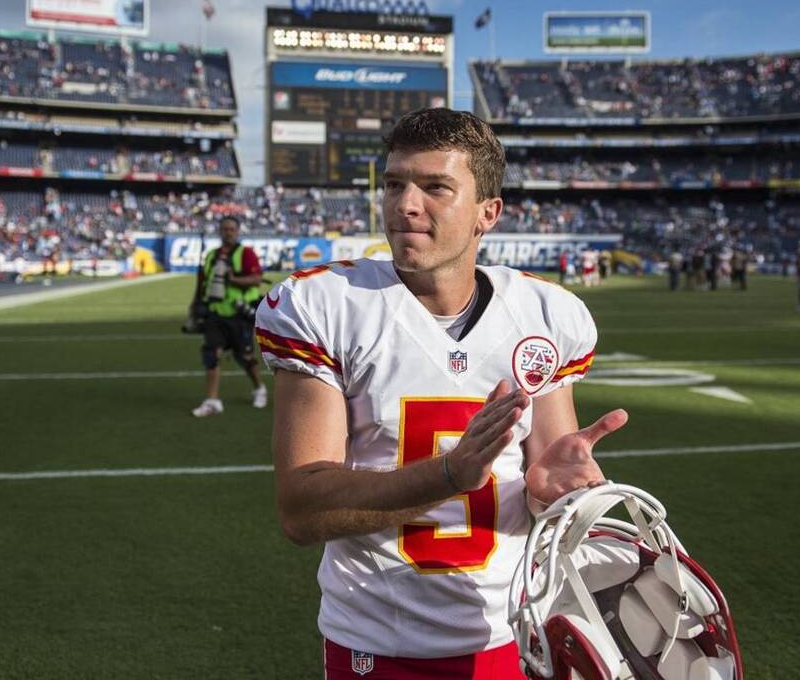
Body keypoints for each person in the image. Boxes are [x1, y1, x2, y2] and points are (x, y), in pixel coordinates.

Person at [256, 108, 626, 678]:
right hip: (377, 644)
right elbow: (301, 511)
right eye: (395, 183)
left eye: (435, 188)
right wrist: (449, 475)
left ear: (488, 214)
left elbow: (548, 475)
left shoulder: (546, 316)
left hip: (512, 634)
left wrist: (559, 496)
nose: (405, 204)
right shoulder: (324, 307)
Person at [190, 216, 268, 417]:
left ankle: (259, 387)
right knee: (211, 354)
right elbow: (202, 283)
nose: (228, 232)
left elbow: (256, 279)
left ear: (238, 231)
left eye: (232, 229)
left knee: (245, 357)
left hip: (239, 314)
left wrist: (233, 279)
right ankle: (212, 400)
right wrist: (195, 306)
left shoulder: (246, 253)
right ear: (220, 231)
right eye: (225, 229)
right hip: (215, 314)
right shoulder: (211, 256)